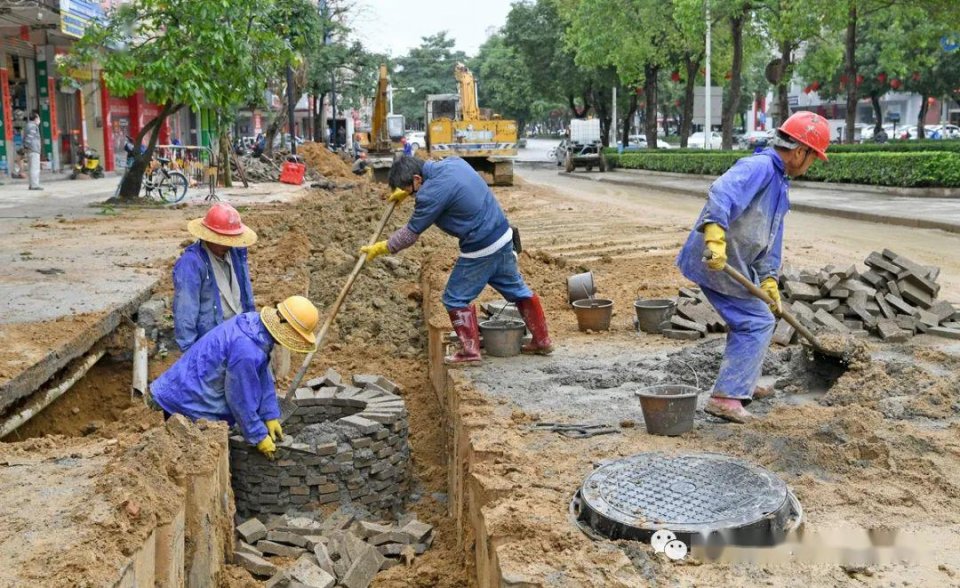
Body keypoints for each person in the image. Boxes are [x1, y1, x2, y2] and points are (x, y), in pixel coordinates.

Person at [675, 111, 830, 424]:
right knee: (756, 321)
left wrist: (770, 279)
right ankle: (726, 397)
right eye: (813, 157)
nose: (811, 164)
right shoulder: (759, 167)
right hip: (717, 261)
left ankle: (741, 382)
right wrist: (715, 237)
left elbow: (770, 238)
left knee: (756, 317)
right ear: (800, 152)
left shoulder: (779, 183)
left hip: (738, 264)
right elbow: (722, 192)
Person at [361, 155, 553, 364]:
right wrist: (405, 194)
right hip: (503, 236)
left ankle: (470, 352)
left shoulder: (430, 194)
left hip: (481, 248)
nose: (410, 194)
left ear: (417, 179)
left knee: (454, 297)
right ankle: (542, 340)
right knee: (518, 291)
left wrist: (382, 247)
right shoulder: (453, 162)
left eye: (408, 189)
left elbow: (410, 234)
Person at [146, 295, 319, 459]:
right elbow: (239, 397)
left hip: (190, 386)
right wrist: (258, 435)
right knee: (197, 463)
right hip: (187, 403)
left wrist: (269, 414)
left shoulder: (254, 325)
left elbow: (261, 374)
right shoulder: (246, 349)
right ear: (284, 327)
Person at [173, 203, 257, 352]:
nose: (227, 244)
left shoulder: (236, 253)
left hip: (240, 333)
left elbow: (246, 294)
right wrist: (190, 351)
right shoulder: (191, 264)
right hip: (211, 342)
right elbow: (185, 311)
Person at [23, 111, 42, 190]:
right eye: (38, 118)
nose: (39, 120)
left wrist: (26, 147)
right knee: (35, 168)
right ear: (35, 118)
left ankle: (31, 184)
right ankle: (35, 185)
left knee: (31, 168)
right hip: (34, 149)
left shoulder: (27, 125)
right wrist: (27, 146)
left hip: (30, 150)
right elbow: (30, 138)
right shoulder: (33, 126)